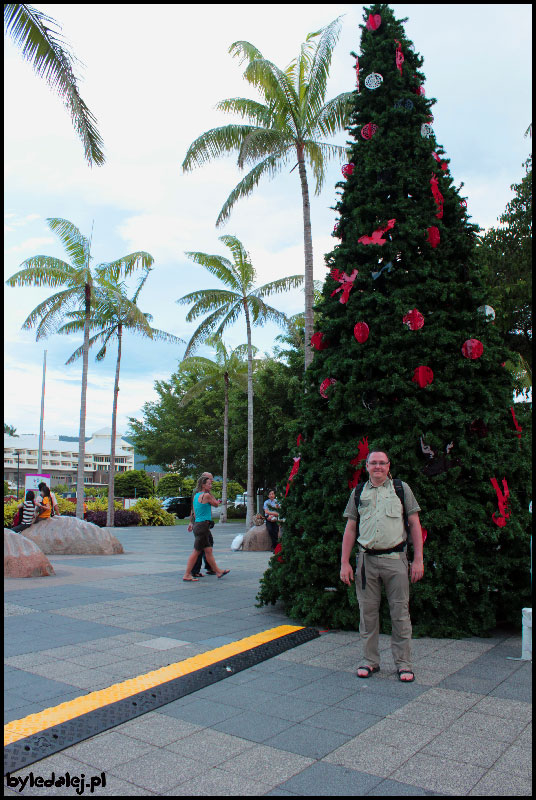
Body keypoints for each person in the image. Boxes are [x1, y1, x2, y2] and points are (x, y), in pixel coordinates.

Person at [340, 450, 424, 683]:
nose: (378, 467)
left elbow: (415, 524)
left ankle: (404, 664)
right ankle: (370, 661)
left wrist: (418, 559)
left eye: (382, 463)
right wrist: (344, 562)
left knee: (400, 614)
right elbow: (350, 528)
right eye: (373, 463)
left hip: (396, 560)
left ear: (389, 466)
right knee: (367, 615)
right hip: (366, 562)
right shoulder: (358, 492)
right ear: (366, 466)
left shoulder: (401, 489)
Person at [183, 474, 230, 582]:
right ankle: (187, 574)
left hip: (199, 525)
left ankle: (218, 571)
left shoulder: (196, 496)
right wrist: (215, 499)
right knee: (196, 551)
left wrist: (191, 523)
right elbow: (216, 504)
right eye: (209, 483)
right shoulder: (206, 495)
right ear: (203, 485)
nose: (211, 485)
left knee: (208, 550)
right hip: (203, 526)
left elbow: (194, 512)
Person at [188, 472, 216, 576]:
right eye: (210, 479)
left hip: (203, 523)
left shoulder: (206, 491)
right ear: (204, 480)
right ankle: (193, 571)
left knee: (207, 545)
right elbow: (194, 508)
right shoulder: (198, 492)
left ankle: (211, 567)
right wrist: (191, 522)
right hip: (200, 524)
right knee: (199, 548)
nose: (212, 481)